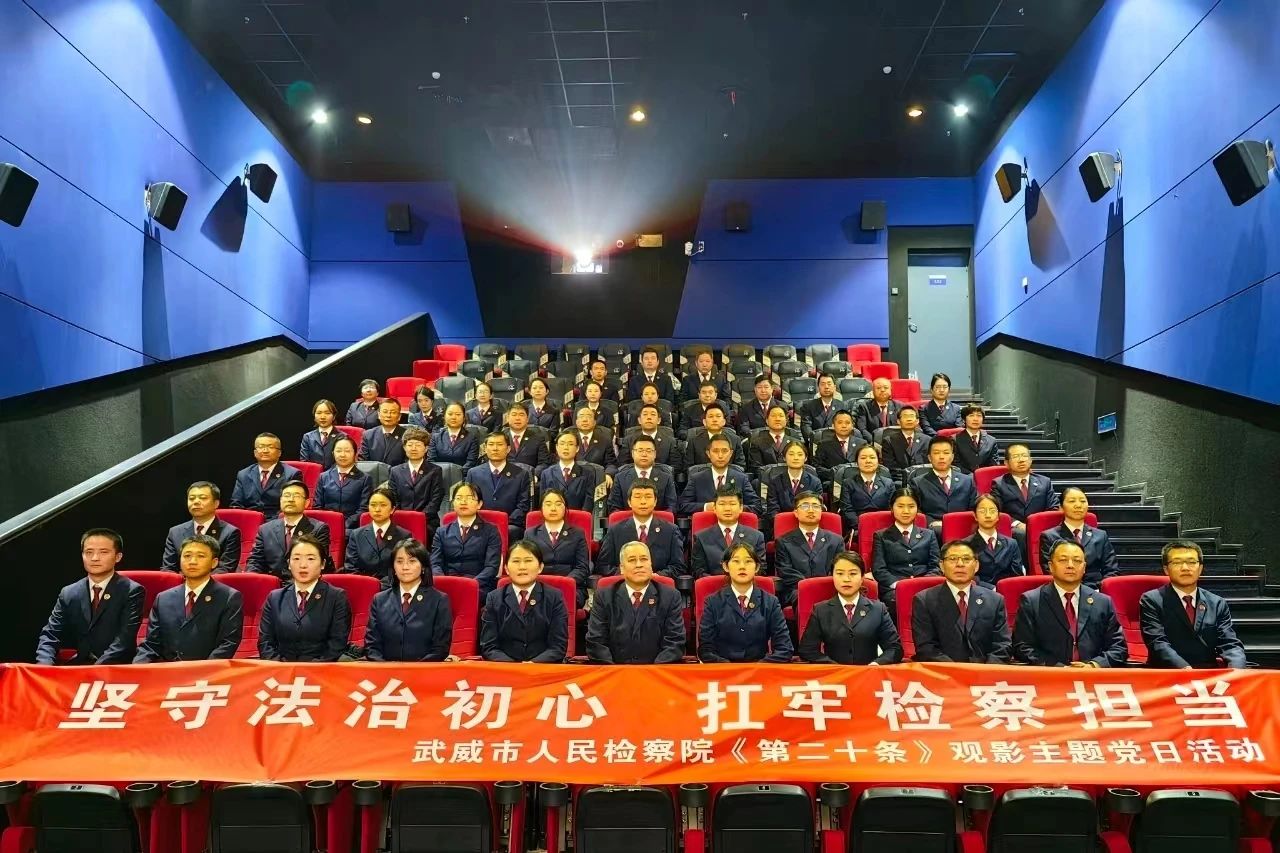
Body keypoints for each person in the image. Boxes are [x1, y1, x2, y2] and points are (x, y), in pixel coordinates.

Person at [36, 528, 144, 665]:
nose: (95, 558)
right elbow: (50, 634)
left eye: (103, 552)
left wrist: (94, 670)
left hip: (117, 666)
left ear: (118, 557)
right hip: (81, 664)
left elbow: (124, 641)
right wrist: (44, 666)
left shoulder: (132, 591)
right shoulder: (69, 592)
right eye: (89, 552)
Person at [1013, 539, 1127, 668]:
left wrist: (1094, 665)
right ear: (1051, 566)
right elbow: (1022, 646)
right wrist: (1059, 668)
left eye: (1077, 561)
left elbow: (1119, 647)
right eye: (1063, 560)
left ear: (1084, 567)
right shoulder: (1032, 600)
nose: (1070, 565)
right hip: (1051, 675)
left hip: (1092, 676)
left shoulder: (1103, 602)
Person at [135, 535, 243, 662]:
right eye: (187, 556)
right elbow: (152, 644)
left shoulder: (229, 597)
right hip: (167, 669)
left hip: (206, 670)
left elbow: (228, 643)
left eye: (200, 556)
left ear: (214, 562)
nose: (192, 561)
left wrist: (199, 670)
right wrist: (137, 667)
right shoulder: (163, 598)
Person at [1140, 540, 1247, 669]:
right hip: (1168, 672)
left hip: (1207, 673)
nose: (1185, 568)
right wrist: (1186, 670)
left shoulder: (1217, 603)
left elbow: (1230, 644)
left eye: (1191, 562)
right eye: (1177, 562)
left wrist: (1237, 670)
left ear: (1200, 568)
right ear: (1166, 569)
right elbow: (1158, 643)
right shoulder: (1152, 600)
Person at [911, 539, 1012, 663]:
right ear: (942, 566)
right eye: (953, 559)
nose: (960, 564)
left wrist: (985, 670)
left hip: (986, 671)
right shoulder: (924, 600)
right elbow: (926, 648)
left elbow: (1003, 644)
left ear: (976, 565)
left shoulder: (995, 600)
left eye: (966, 559)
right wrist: (958, 672)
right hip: (944, 672)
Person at [585, 541, 686, 664]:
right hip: (615, 670)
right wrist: (615, 671)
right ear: (622, 568)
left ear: (651, 565)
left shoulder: (670, 596)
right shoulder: (604, 596)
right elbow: (596, 642)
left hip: (656, 671)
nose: (639, 565)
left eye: (644, 559)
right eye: (632, 560)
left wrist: (652, 671)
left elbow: (675, 643)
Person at [798, 551, 902, 665]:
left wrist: (876, 664)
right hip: (835, 674)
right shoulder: (820, 610)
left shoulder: (878, 609)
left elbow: (894, 648)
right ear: (832, 576)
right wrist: (833, 666)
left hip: (869, 673)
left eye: (852, 574)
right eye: (840, 573)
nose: (846, 579)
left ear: (862, 577)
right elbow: (807, 650)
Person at [258, 535, 351, 661]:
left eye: (310, 559)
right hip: (281, 667)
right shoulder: (275, 598)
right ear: (289, 564)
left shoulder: (336, 597)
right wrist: (281, 666)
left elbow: (337, 644)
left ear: (323, 564)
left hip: (321, 668)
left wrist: (310, 668)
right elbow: (265, 643)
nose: (303, 565)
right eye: (296, 558)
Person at [698, 543, 793, 663]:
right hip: (723, 669)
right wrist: (730, 669)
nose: (742, 567)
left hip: (759, 669)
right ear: (726, 566)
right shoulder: (713, 602)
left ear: (757, 567)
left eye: (748, 561)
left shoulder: (770, 602)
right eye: (736, 561)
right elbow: (705, 650)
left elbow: (785, 649)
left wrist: (756, 668)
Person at [365, 538, 456, 662]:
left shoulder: (439, 600)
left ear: (423, 566)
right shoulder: (380, 600)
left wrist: (413, 670)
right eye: (399, 561)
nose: (405, 567)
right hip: (384, 670)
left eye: (412, 561)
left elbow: (440, 649)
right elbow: (372, 646)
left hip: (424, 671)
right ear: (393, 567)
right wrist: (386, 668)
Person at [479, 540, 570, 663]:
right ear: (506, 568)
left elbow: (558, 647)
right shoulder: (494, 598)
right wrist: (515, 667)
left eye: (528, 561)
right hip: (506, 668)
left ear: (540, 567)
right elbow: (489, 647)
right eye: (516, 561)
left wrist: (533, 665)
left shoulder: (554, 597)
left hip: (543, 668)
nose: (522, 567)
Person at [871, 486, 941, 618]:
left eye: (911, 506)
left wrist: (922, 584)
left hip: (925, 587)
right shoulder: (881, 536)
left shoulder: (929, 535)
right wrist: (901, 585)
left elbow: (935, 566)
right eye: (900, 506)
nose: (906, 511)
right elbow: (879, 570)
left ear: (917, 509)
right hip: (894, 589)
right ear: (892, 508)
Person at [597, 479, 686, 577]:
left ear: (655, 501)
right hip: (624, 583)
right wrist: (627, 574)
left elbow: (679, 567)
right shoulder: (615, 531)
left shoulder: (671, 531)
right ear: (629, 502)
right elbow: (603, 566)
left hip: (657, 583)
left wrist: (657, 575)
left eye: (648, 497)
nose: (643, 502)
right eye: (637, 497)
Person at [430, 481, 502, 600]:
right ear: (453, 503)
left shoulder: (491, 531)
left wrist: (470, 585)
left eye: (469, 498)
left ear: (479, 504)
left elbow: (491, 567)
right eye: (459, 498)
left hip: (478, 586)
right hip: (447, 585)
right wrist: (443, 582)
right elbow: (435, 563)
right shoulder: (442, 532)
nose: (463, 502)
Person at [247, 481, 333, 578]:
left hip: (303, 582)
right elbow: (255, 561)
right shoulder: (265, 529)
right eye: (287, 495)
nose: (291, 500)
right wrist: (254, 579)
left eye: (296, 496)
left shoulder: (318, 529)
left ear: (307, 503)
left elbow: (318, 564)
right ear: (280, 500)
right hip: (272, 584)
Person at [774, 491, 843, 607]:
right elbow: (785, 571)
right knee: (803, 598)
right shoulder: (783, 541)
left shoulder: (836, 540)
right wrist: (809, 586)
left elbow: (839, 569)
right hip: (797, 590)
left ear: (821, 511)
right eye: (805, 506)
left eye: (816, 506)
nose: (811, 510)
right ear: (796, 512)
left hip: (829, 588)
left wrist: (823, 585)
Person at [1037, 487, 1118, 586]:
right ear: (1061, 507)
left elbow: (1112, 571)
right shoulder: (1049, 537)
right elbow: (1050, 572)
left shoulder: (1101, 536)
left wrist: (1099, 590)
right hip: (1064, 590)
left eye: (1083, 501)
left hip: (1095, 589)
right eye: (1072, 501)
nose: (1078, 505)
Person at [990, 443, 1060, 554]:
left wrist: (1037, 525)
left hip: (1041, 526)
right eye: (1016, 456)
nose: (1021, 460)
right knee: (1020, 534)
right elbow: (996, 511)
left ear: (1030, 460)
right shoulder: (999, 484)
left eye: (1024, 456)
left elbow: (1054, 508)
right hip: (1015, 529)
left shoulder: (1044, 482)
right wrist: (1017, 524)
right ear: (1006, 463)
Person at [525, 489, 590, 607]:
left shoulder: (578, 534)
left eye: (558, 504)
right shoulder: (530, 534)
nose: (553, 508)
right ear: (541, 508)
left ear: (565, 508)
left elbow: (582, 568)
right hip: (539, 586)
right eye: (548, 504)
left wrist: (565, 584)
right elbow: (528, 565)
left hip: (571, 587)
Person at [466, 432, 531, 542]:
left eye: (500, 444)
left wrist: (504, 522)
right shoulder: (473, 473)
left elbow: (523, 505)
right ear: (485, 449)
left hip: (509, 524)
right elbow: (469, 501)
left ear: (508, 449)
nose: (495, 448)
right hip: (480, 523)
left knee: (512, 531)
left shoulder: (521, 474)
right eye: (491, 444)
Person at [161, 481, 240, 573]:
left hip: (213, 581)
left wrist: (198, 580)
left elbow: (225, 569)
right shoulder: (175, 532)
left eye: (203, 498)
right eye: (191, 498)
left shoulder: (230, 532)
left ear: (216, 503)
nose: (196, 502)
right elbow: (168, 568)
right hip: (182, 581)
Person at [691, 485, 767, 577]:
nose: (727, 509)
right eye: (722, 504)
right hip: (715, 585)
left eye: (732, 504)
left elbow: (761, 569)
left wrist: (739, 581)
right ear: (714, 508)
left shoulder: (756, 537)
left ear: (741, 508)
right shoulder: (701, 538)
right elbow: (698, 572)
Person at [678, 434, 761, 517]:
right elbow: (682, 506)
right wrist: (706, 507)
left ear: (731, 453)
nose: (720, 456)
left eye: (724, 451)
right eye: (715, 451)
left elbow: (757, 506)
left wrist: (736, 508)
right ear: (708, 453)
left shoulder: (741, 478)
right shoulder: (696, 479)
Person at [345, 486, 412, 583]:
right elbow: (350, 568)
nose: (377, 509)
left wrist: (382, 586)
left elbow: (403, 569)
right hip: (363, 586)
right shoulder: (356, 535)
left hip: (391, 587)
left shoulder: (404, 536)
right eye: (373, 505)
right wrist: (367, 585)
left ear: (392, 509)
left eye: (383, 505)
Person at [229, 433, 303, 520]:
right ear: (255, 452)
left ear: (279, 453)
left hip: (278, 521)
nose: (265, 451)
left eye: (270, 447)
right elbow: (236, 504)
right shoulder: (243, 474)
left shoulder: (292, 474)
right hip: (249, 520)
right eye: (261, 447)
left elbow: (292, 505)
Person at [913, 436, 978, 528]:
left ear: (952, 457)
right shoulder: (918, 483)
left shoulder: (968, 481)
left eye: (946, 453)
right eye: (936, 453)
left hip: (963, 528)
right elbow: (916, 511)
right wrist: (932, 523)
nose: (941, 457)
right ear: (929, 457)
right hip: (933, 529)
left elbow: (974, 508)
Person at [608, 434, 678, 514]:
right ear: (633, 453)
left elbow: (672, 507)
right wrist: (635, 519)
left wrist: (653, 519)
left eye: (648, 451)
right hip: (628, 521)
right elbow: (613, 507)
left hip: (658, 521)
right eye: (640, 450)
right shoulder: (620, 478)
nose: (644, 454)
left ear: (655, 454)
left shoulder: (666, 478)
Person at [313, 436, 373, 528]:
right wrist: (327, 525)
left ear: (355, 453)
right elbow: (317, 507)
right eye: (339, 451)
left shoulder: (365, 479)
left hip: (352, 529)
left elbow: (363, 509)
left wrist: (344, 525)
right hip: (326, 527)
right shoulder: (323, 477)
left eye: (347, 451)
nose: (342, 455)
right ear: (333, 453)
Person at [387, 427, 445, 522]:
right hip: (400, 520)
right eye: (410, 445)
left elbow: (435, 500)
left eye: (418, 445)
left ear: (426, 448)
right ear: (404, 448)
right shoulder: (395, 471)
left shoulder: (435, 471)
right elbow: (393, 499)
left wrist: (418, 518)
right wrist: (402, 517)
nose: (413, 448)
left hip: (427, 521)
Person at [967, 493, 1024, 587]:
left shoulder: (1011, 544)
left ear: (998, 516)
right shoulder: (966, 545)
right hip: (979, 592)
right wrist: (991, 589)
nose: (988, 515)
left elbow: (1017, 575)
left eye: (992, 511)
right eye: (982, 511)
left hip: (1006, 591)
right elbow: (968, 576)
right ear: (975, 516)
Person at [839, 444, 894, 539]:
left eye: (872, 457)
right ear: (857, 462)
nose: (868, 461)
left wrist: (882, 528)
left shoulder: (888, 484)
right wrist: (862, 527)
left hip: (884, 529)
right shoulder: (848, 483)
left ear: (878, 461)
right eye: (863, 458)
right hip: (857, 529)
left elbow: (892, 510)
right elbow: (847, 510)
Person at [762, 441, 823, 525]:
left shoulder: (815, 482)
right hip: (782, 525)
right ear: (784, 457)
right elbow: (772, 511)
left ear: (806, 458)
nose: (795, 458)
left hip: (807, 524)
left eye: (800, 454)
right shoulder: (775, 482)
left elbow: (817, 508)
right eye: (791, 454)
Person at [539, 432, 597, 511]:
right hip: (554, 516)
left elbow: (588, 503)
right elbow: (544, 503)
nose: (566, 447)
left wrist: (580, 517)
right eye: (562, 444)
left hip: (578, 517)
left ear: (577, 448)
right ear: (556, 447)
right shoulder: (546, 474)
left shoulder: (587, 474)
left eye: (570, 444)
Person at [683, 403, 746, 471]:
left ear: (724, 421)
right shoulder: (694, 441)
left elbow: (740, 466)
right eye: (711, 416)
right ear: (704, 422)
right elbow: (688, 468)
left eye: (718, 416)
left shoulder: (735, 440)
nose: (714, 420)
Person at [618, 404, 680, 469]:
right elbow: (623, 465)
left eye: (653, 414)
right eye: (645, 414)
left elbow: (675, 466)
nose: (649, 417)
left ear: (659, 420)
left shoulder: (670, 441)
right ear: (639, 420)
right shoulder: (628, 440)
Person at [747, 404, 804, 474]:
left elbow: (801, 466)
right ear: (767, 420)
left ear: (786, 420)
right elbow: (756, 468)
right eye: (773, 416)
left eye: (781, 416)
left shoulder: (796, 442)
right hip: (767, 479)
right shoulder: (757, 443)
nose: (777, 419)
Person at [812, 411, 868, 481]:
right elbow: (816, 467)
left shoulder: (862, 444)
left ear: (852, 425)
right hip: (832, 481)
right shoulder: (823, 444)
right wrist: (835, 474)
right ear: (833, 426)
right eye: (840, 422)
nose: (844, 426)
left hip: (857, 482)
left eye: (847, 423)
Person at [429, 402, 481, 473]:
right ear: (444, 416)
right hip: (438, 475)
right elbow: (431, 461)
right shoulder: (436, 437)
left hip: (462, 477)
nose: (453, 417)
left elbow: (471, 463)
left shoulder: (471, 438)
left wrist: (456, 475)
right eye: (450, 414)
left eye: (458, 414)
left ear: (464, 417)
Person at [570, 406, 618, 483]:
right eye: (581, 416)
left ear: (595, 422)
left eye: (589, 416)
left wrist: (608, 474)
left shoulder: (604, 440)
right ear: (576, 422)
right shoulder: (569, 438)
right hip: (572, 479)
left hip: (596, 479)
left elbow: (611, 463)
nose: (585, 420)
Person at [880, 405, 930, 475]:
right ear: (898, 421)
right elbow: (891, 468)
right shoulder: (889, 441)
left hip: (922, 478)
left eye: (912, 416)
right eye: (905, 416)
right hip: (899, 479)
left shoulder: (927, 440)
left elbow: (929, 465)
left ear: (917, 421)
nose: (909, 419)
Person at [798, 374, 848, 442]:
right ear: (818, 387)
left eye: (829, 384)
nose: (826, 387)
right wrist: (814, 440)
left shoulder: (842, 406)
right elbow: (806, 428)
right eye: (823, 384)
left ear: (834, 387)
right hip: (816, 443)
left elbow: (846, 427)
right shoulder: (808, 406)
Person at [503, 405, 551, 475]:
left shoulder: (538, 438)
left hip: (529, 477)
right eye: (514, 415)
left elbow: (544, 463)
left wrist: (534, 476)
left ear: (527, 419)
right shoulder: (500, 438)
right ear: (507, 418)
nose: (517, 418)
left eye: (521, 415)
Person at [359, 398, 408, 467]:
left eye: (393, 412)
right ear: (379, 414)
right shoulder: (368, 435)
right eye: (385, 412)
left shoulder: (407, 436)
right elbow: (363, 462)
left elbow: (408, 464)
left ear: (399, 416)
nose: (388, 415)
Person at [854, 378, 903, 444]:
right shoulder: (864, 407)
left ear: (890, 390)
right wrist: (875, 443)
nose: (882, 390)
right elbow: (862, 429)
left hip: (895, 443)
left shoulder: (900, 406)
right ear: (873, 391)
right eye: (878, 388)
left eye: (886, 388)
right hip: (872, 444)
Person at [953, 405, 1000, 473]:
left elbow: (994, 465)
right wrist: (971, 476)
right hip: (963, 477)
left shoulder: (991, 441)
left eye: (979, 416)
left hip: (985, 477)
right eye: (971, 415)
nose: (975, 419)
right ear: (964, 419)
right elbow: (955, 464)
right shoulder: (954, 440)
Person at [299, 399, 340, 468]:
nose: (322, 417)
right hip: (313, 473)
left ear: (334, 416)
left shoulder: (342, 437)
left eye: (327, 413)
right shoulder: (307, 437)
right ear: (314, 416)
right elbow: (304, 462)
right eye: (319, 413)